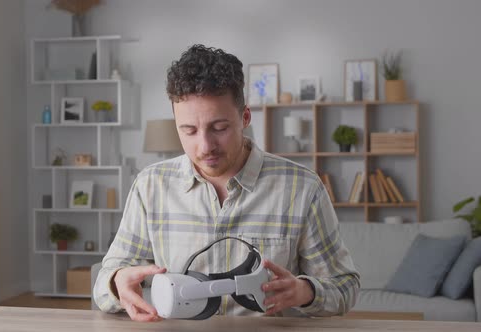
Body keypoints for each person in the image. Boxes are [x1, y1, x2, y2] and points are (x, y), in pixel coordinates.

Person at [93, 44, 360, 322]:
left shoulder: (302, 188)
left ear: (245, 117)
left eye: (219, 128)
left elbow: (345, 286)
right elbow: (103, 286)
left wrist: (307, 291)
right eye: (189, 130)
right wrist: (117, 282)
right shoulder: (150, 186)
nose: (205, 146)